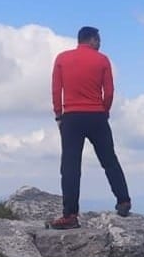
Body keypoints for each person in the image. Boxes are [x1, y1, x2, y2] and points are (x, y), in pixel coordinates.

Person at [47, 26, 131, 230]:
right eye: (98, 39)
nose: (100, 43)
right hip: (96, 116)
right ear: (92, 40)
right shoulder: (102, 60)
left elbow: (56, 89)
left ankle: (70, 215)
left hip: (72, 118)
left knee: (70, 166)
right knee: (109, 160)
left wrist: (59, 115)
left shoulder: (62, 58)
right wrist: (104, 110)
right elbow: (109, 91)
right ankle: (123, 201)